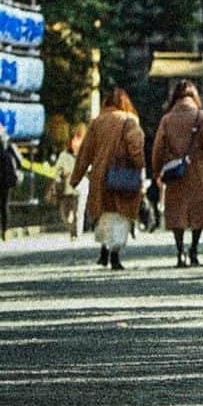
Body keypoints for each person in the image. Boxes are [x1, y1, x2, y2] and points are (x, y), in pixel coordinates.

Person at [69, 87, 145, 271]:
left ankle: (104, 248)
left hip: (100, 177)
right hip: (123, 175)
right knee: (121, 215)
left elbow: (85, 153)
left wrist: (75, 178)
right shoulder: (130, 121)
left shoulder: (97, 122)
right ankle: (115, 254)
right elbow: (136, 147)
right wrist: (139, 165)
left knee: (105, 214)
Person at [152, 80, 203, 267]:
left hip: (175, 172)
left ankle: (180, 251)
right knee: (198, 212)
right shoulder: (201, 117)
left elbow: (157, 148)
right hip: (198, 169)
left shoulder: (167, 119)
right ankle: (194, 249)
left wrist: (158, 171)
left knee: (177, 213)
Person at [53, 129, 83, 240]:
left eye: (78, 140)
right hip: (65, 189)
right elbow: (57, 170)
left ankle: (75, 234)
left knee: (77, 213)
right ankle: (71, 229)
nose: (75, 143)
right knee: (65, 214)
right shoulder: (64, 155)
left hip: (78, 189)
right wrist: (61, 175)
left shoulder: (83, 155)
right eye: (74, 140)